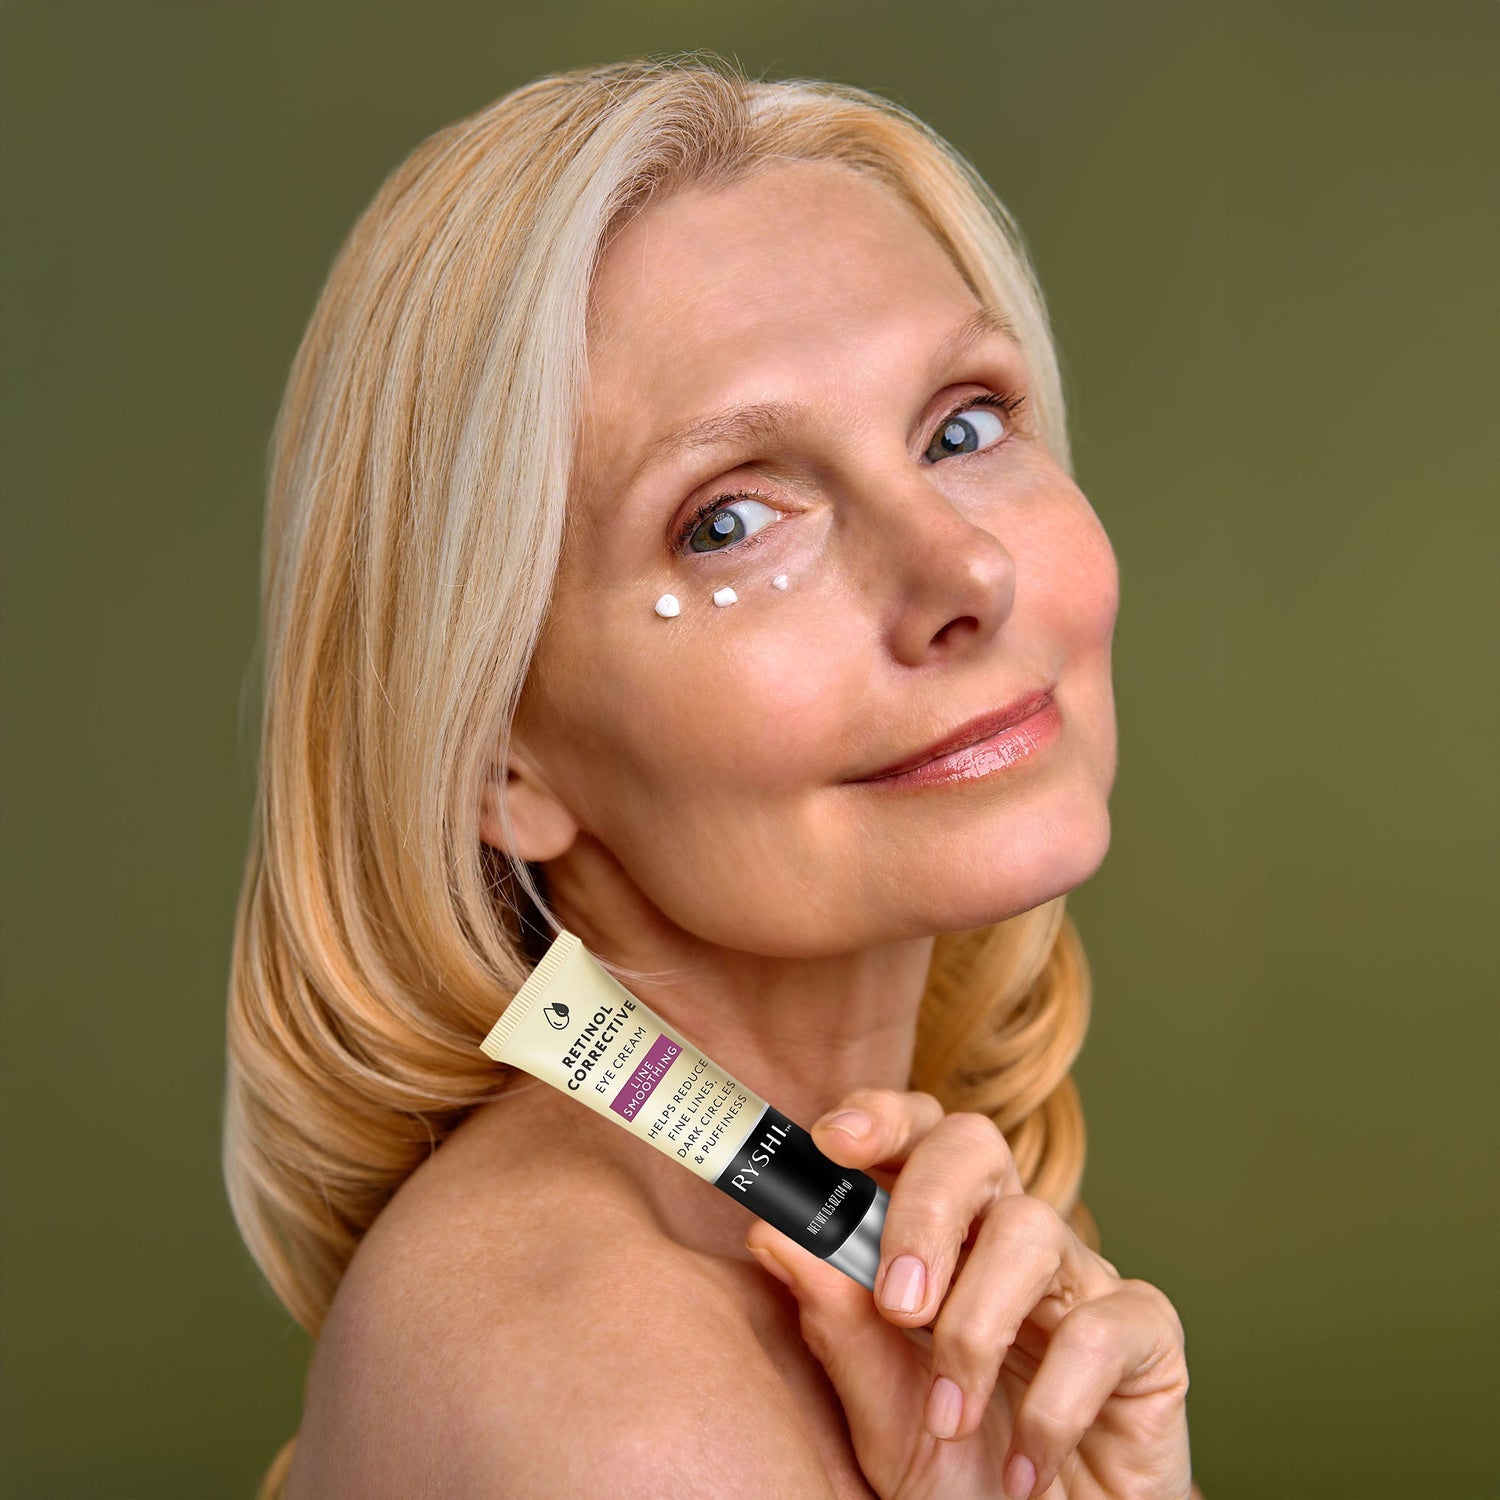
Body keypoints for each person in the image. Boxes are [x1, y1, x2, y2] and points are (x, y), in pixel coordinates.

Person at [224, 50, 1199, 1499]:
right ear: (499, 755)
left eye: (963, 428)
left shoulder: (840, 1264)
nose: (964, 571)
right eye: (731, 520)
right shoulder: (614, 1396)